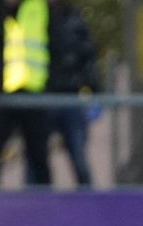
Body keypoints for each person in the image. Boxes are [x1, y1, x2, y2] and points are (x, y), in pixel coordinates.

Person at [0, 0, 50, 187]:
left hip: (34, 91)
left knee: (38, 155)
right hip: (3, 93)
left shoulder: (38, 7)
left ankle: (45, 204)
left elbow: (56, 45)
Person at [43, 0, 96, 187]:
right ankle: (35, 207)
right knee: (37, 159)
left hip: (70, 95)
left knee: (78, 156)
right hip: (42, 96)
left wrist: (93, 87)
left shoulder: (74, 18)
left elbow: (87, 55)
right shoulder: (35, 15)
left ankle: (90, 205)